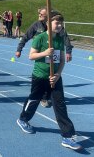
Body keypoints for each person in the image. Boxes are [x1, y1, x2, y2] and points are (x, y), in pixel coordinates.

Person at [16, 11, 82, 151]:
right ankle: (23, 119)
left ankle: (68, 136)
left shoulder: (60, 38)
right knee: (34, 100)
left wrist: (58, 74)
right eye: (56, 22)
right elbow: (31, 56)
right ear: (48, 23)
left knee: (60, 105)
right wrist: (45, 53)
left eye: (61, 23)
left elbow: (62, 59)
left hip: (55, 78)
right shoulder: (40, 38)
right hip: (40, 76)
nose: (59, 25)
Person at [15, 7, 74, 108]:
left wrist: (68, 51)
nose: (39, 16)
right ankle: (42, 97)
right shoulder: (36, 25)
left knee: (52, 77)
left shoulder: (57, 25)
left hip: (54, 55)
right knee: (41, 79)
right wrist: (19, 49)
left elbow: (65, 38)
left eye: (41, 15)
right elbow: (26, 37)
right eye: (39, 14)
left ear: (48, 17)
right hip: (40, 54)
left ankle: (47, 96)